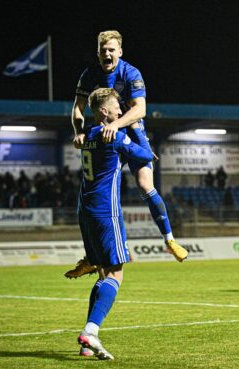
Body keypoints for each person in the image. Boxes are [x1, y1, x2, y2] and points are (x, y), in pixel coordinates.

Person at [67, 30, 187, 279]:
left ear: (120, 52)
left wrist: (116, 125)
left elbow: (140, 110)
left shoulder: (131, 73)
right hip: (104, 135)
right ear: (98, 53)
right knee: (97, 189)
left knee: (145, 184)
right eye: (103, 50)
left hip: (128, 130)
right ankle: (92, 256)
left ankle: (170, 239)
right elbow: (77, 109)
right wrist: (78, 132)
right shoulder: (89, 75)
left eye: (111, 49)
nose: (107, 54)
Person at [75, 88, 155, 360]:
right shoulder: (114, 136)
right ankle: (91, 330)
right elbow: (145, 155)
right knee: (116, 273)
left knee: (102, 273)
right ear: (103, 111)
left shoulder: (87, 137)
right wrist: (133, 125)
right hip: (105, 212)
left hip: (84, 210)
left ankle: (87, 344)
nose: (120, 112)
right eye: (116, 108)